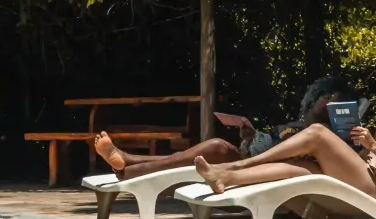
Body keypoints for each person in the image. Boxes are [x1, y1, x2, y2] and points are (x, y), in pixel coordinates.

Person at [194, 81, 376, 209]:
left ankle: (239, 165)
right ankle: (224, 176)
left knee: (318, 134)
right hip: (365, 177)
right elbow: (365, 158)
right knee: (298, 166)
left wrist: (375, 147)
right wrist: (374, 139)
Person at [90, 76, 353, 181]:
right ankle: (130, 162)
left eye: (336, 100)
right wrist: (249, 137)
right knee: (210, 149)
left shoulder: (328, 133)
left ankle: (130, 165)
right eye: (327, 96)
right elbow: (267, 144)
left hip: (268, 170)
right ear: (315, 97)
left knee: (215, 147)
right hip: (253, 161)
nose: (330, 102)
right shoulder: (294, 124)